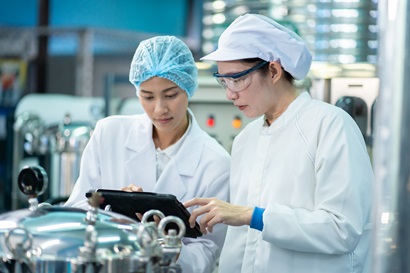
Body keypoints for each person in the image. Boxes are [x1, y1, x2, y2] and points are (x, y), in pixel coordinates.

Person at [184, 13, 373, 273]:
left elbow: (343, 229)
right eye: (223, 81)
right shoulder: (245, 139)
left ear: (273, 71)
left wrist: (254, 216)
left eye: (237, 79)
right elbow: (242, 241)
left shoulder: (330, 125)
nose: (230, 93)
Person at [64, 35, 230, 273]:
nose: (159, 109)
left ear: (188, 87)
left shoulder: (216, 163)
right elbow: (78, 210)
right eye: (148, 96)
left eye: (171, 95)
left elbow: (207, 252)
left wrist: (165, 243)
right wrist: (113, 209)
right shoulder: (108, 134)